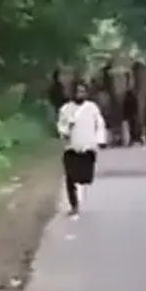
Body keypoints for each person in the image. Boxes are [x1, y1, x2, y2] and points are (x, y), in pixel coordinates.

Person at [55, 81, 106, 219]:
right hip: (71, 148)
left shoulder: (92, 108)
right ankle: (74, 205)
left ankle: (79, 189)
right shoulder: (65, 109)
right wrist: (66, 129)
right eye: (77, 92)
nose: (80, 94)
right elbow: (61, 127)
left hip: (87, 147)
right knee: (70, 178)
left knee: (84, 178)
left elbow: (99, 125)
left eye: (83, 92)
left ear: (87, 93)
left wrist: (100, 140)